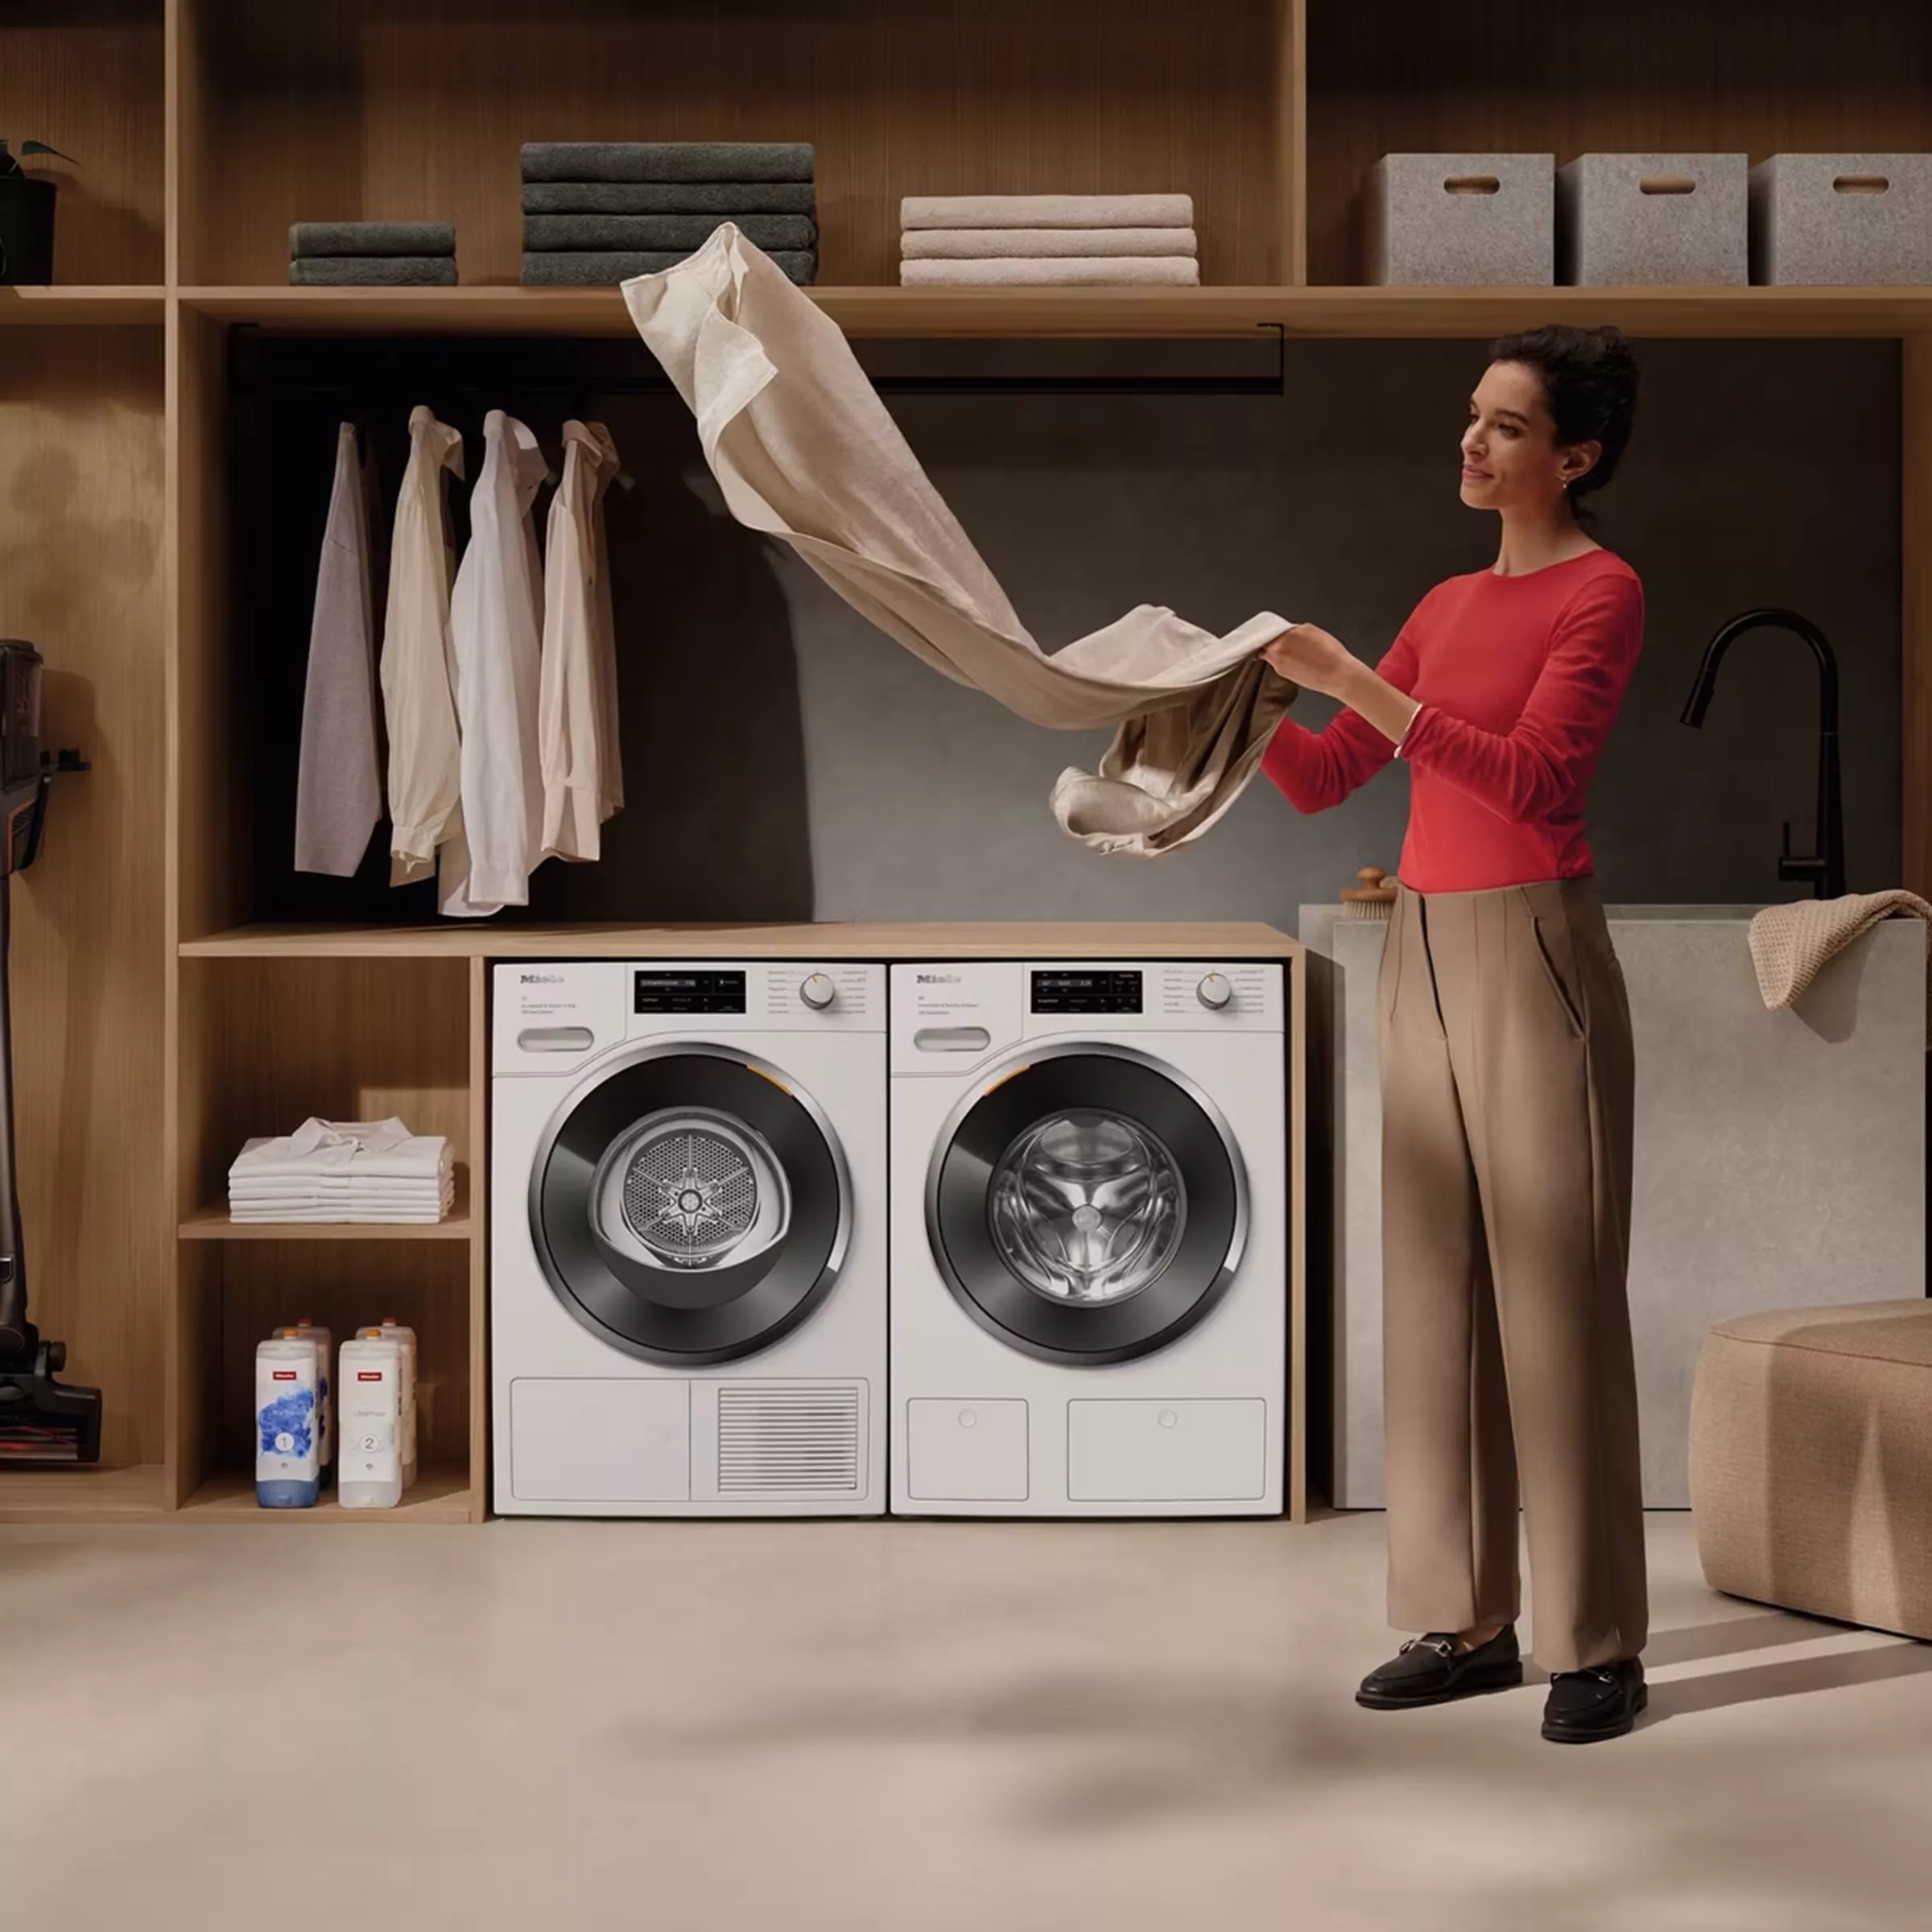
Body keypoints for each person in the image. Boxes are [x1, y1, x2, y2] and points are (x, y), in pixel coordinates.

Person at [1260, 324, 1649, 1744]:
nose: (1472, 442)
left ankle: (1598, 1640)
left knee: (1556, 1301)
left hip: (1533, 947)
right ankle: (1464, 1621)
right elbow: (1321, 782)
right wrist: (1236, 700)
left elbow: (1535, 780)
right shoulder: (1439, 599)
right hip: (1415, 942)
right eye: (1472, 418)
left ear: (1575, 455)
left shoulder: (1601, 592)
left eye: (1504, 425)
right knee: (1431, 1297)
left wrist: (1356, 677)